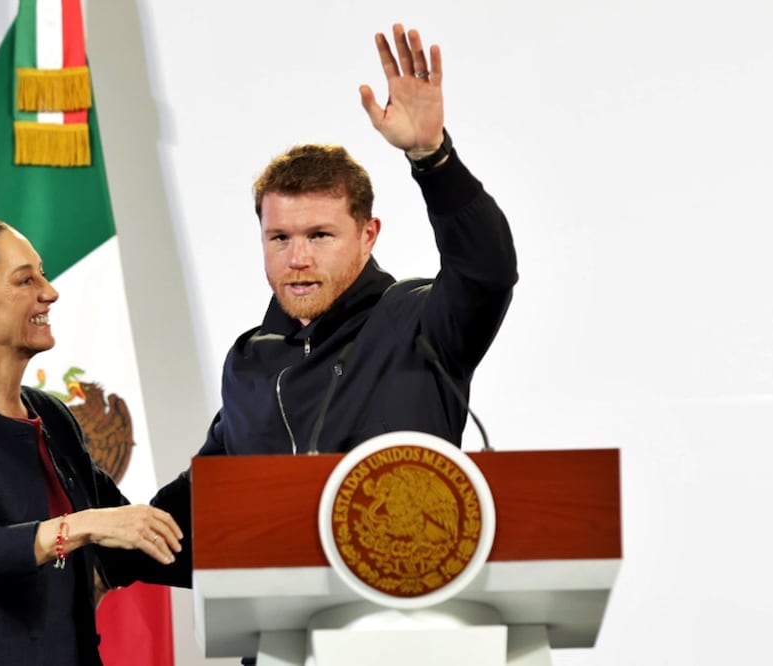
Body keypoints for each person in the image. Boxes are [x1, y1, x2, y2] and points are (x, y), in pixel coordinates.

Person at [149, 24, 518, 658]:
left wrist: (434, 159)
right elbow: (207, 505)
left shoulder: (421, 319)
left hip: (411, 640)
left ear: (368, 233)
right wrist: (95, 538)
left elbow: (487, 271)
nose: (297, 258)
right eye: (280, 238)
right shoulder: (250, 359)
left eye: (319, 236)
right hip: (281, 644)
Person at [0, 218, 187, 665]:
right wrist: (83, 525)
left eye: (42, 274)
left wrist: (232, 441)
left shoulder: (52, 416)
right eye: (25, 280)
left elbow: (132, 541)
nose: (50, 291)